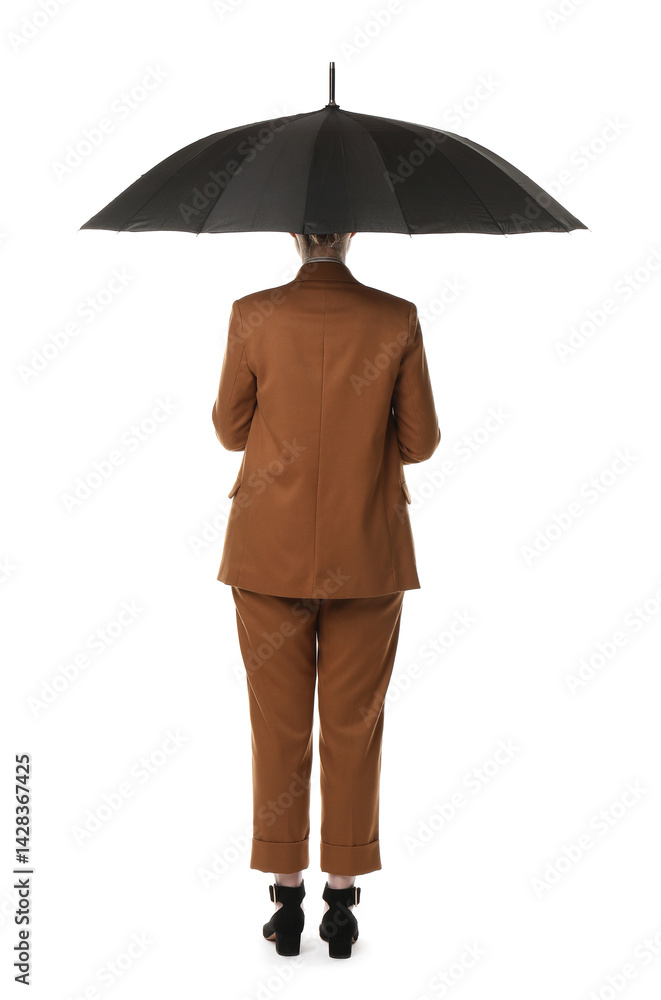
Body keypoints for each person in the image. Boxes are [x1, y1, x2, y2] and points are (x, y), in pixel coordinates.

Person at [211, 231, 440, 958]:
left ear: (294, 234)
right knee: (353, 726)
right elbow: (421, 441)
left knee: (277, 726)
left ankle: (286, 903)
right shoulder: (396, 317)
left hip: (266, 552)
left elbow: (229, 430)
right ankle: (341, 903)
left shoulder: (251, 313)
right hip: (366, 550)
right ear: (351, 234)